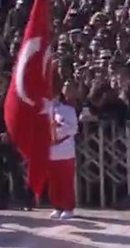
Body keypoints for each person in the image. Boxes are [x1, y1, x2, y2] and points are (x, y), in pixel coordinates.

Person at [0, 73, 31, 211]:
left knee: (14, 169)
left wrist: (9, 133)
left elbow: (18, 117)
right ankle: (1, 199)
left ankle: (22, 200)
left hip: (9, 138)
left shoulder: (12, 99)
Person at [48, 86, 79, 220]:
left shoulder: (68, 110)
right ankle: (57, 206)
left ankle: (68, 207)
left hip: (65, 149)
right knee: (53, 181)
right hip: (49, 149)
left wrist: (59, 127)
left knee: (66, 180)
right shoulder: (43, 111)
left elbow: (74, 129)